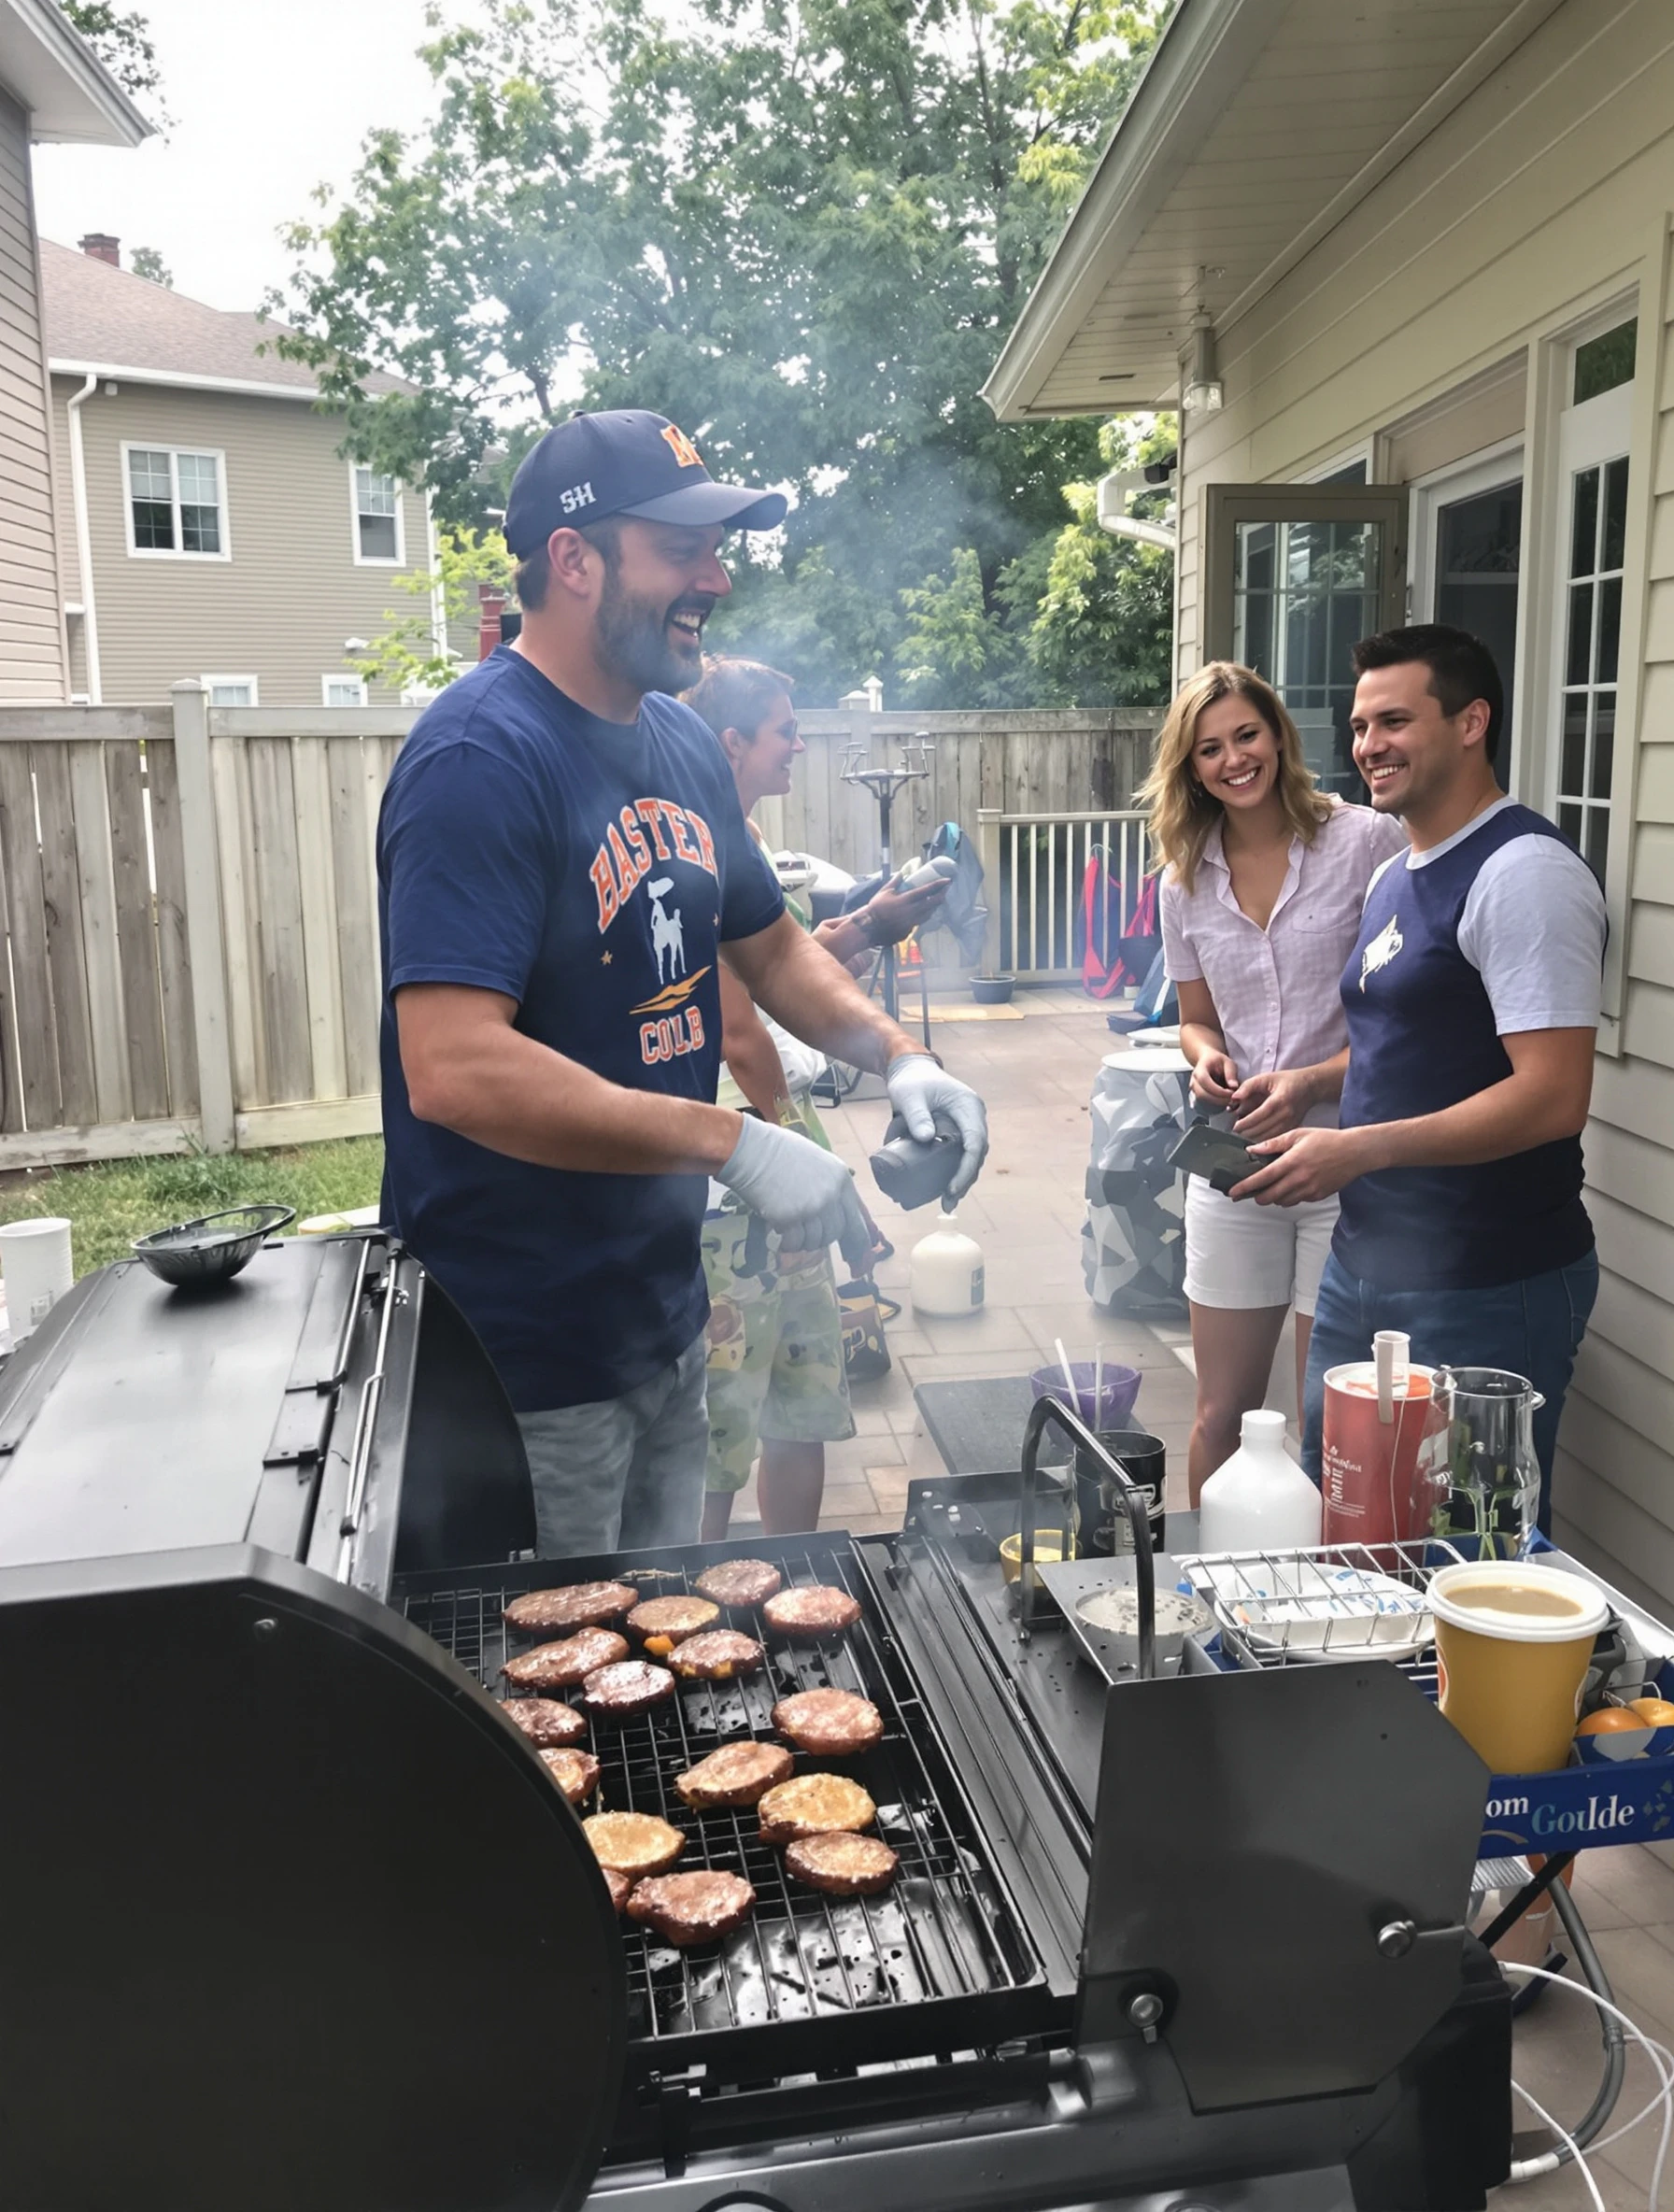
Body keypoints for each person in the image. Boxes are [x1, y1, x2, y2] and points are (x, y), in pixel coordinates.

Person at [376, 408, 988, 1557]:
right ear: (574, 560)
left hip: (662, 1312)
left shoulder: (674, 741)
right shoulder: (480, 759)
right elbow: (452, 1066)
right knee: (547, 1686)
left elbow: (770, 945)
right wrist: (732, 1142)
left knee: (663, 1630)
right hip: (525, 1350)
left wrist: (897, 1056)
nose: (714, 577)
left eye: (719, 549)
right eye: (680, 549)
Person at [1233, 625, 1605, 1529]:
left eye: (1394, 720)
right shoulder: (1398, 873)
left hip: (1486, 1280)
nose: (1367, 746)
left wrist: (1359, 1149)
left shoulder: (1523, 874)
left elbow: (1552, 1095)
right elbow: (1410, 1039)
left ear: (1471, 721)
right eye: (1360, 726)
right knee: (1350, 1519)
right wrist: (1313, 1084)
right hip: (1367, 1266)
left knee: (1465, 1538)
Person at [684, 658, 950, 1539]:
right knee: (722, 1423)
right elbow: (736, 1030)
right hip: (733, 1175)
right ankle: (695, 1602)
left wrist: (858, 933)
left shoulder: (747, 842)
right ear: (731, 743)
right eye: (784, 730)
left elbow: (775, 979)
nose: (800, 742)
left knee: (801, 1398)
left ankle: (800, 1580)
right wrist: (795, 1157)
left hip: (782, 1146)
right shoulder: (689, 842)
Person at [1142, 662, 1408, 1504]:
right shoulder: (1183, 879)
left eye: (1246, 735)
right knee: (1222, 1412)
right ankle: (1211, 1596)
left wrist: (1310, 1081)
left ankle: (1314, 1612)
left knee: (1322, 1416)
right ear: (1190, 767)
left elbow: (1410, 1013)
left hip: (1344, 1158)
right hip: (1237, 1165)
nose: (1233, 760)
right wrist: (1203, 1056)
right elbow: (1195, 1015)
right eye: (1209, 749)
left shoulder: (1366, 841)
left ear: (1279, 735)